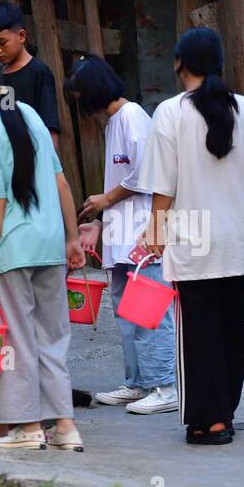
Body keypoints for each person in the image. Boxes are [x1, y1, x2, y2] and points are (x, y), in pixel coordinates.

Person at [134, 27, 244, 445]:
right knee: (231, 324)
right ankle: (222, 414)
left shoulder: (171, 112)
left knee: (199, 330)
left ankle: (207, 420)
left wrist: (155, 233)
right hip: (243, 238)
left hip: (195, 240)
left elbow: (164, 188)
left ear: (179, 64)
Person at [0, 46, 85, 451]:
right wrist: (72, 238)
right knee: (52, 338)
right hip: (49, 244)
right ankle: (64, 427)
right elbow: (61, 183)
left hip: (12, 249)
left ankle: (25, 429)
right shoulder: (32, 117)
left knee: (15, 340)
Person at [64, 53, 177, 415]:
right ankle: (139, 383)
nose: (79, 103)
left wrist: (105, 200)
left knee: (149, 311)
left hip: (142, 233)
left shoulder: (132, 117)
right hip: (120, 236)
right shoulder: (113, 122)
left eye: (80, 94)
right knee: (127, 315)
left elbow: (148, 173)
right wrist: (100, 222)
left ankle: (166, 385)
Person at [0, 0, 62, 151]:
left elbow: (50, 127)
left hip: (35, 159)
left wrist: (48, 165)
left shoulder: (39, 72)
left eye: (2, 42)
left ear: (22, 36)